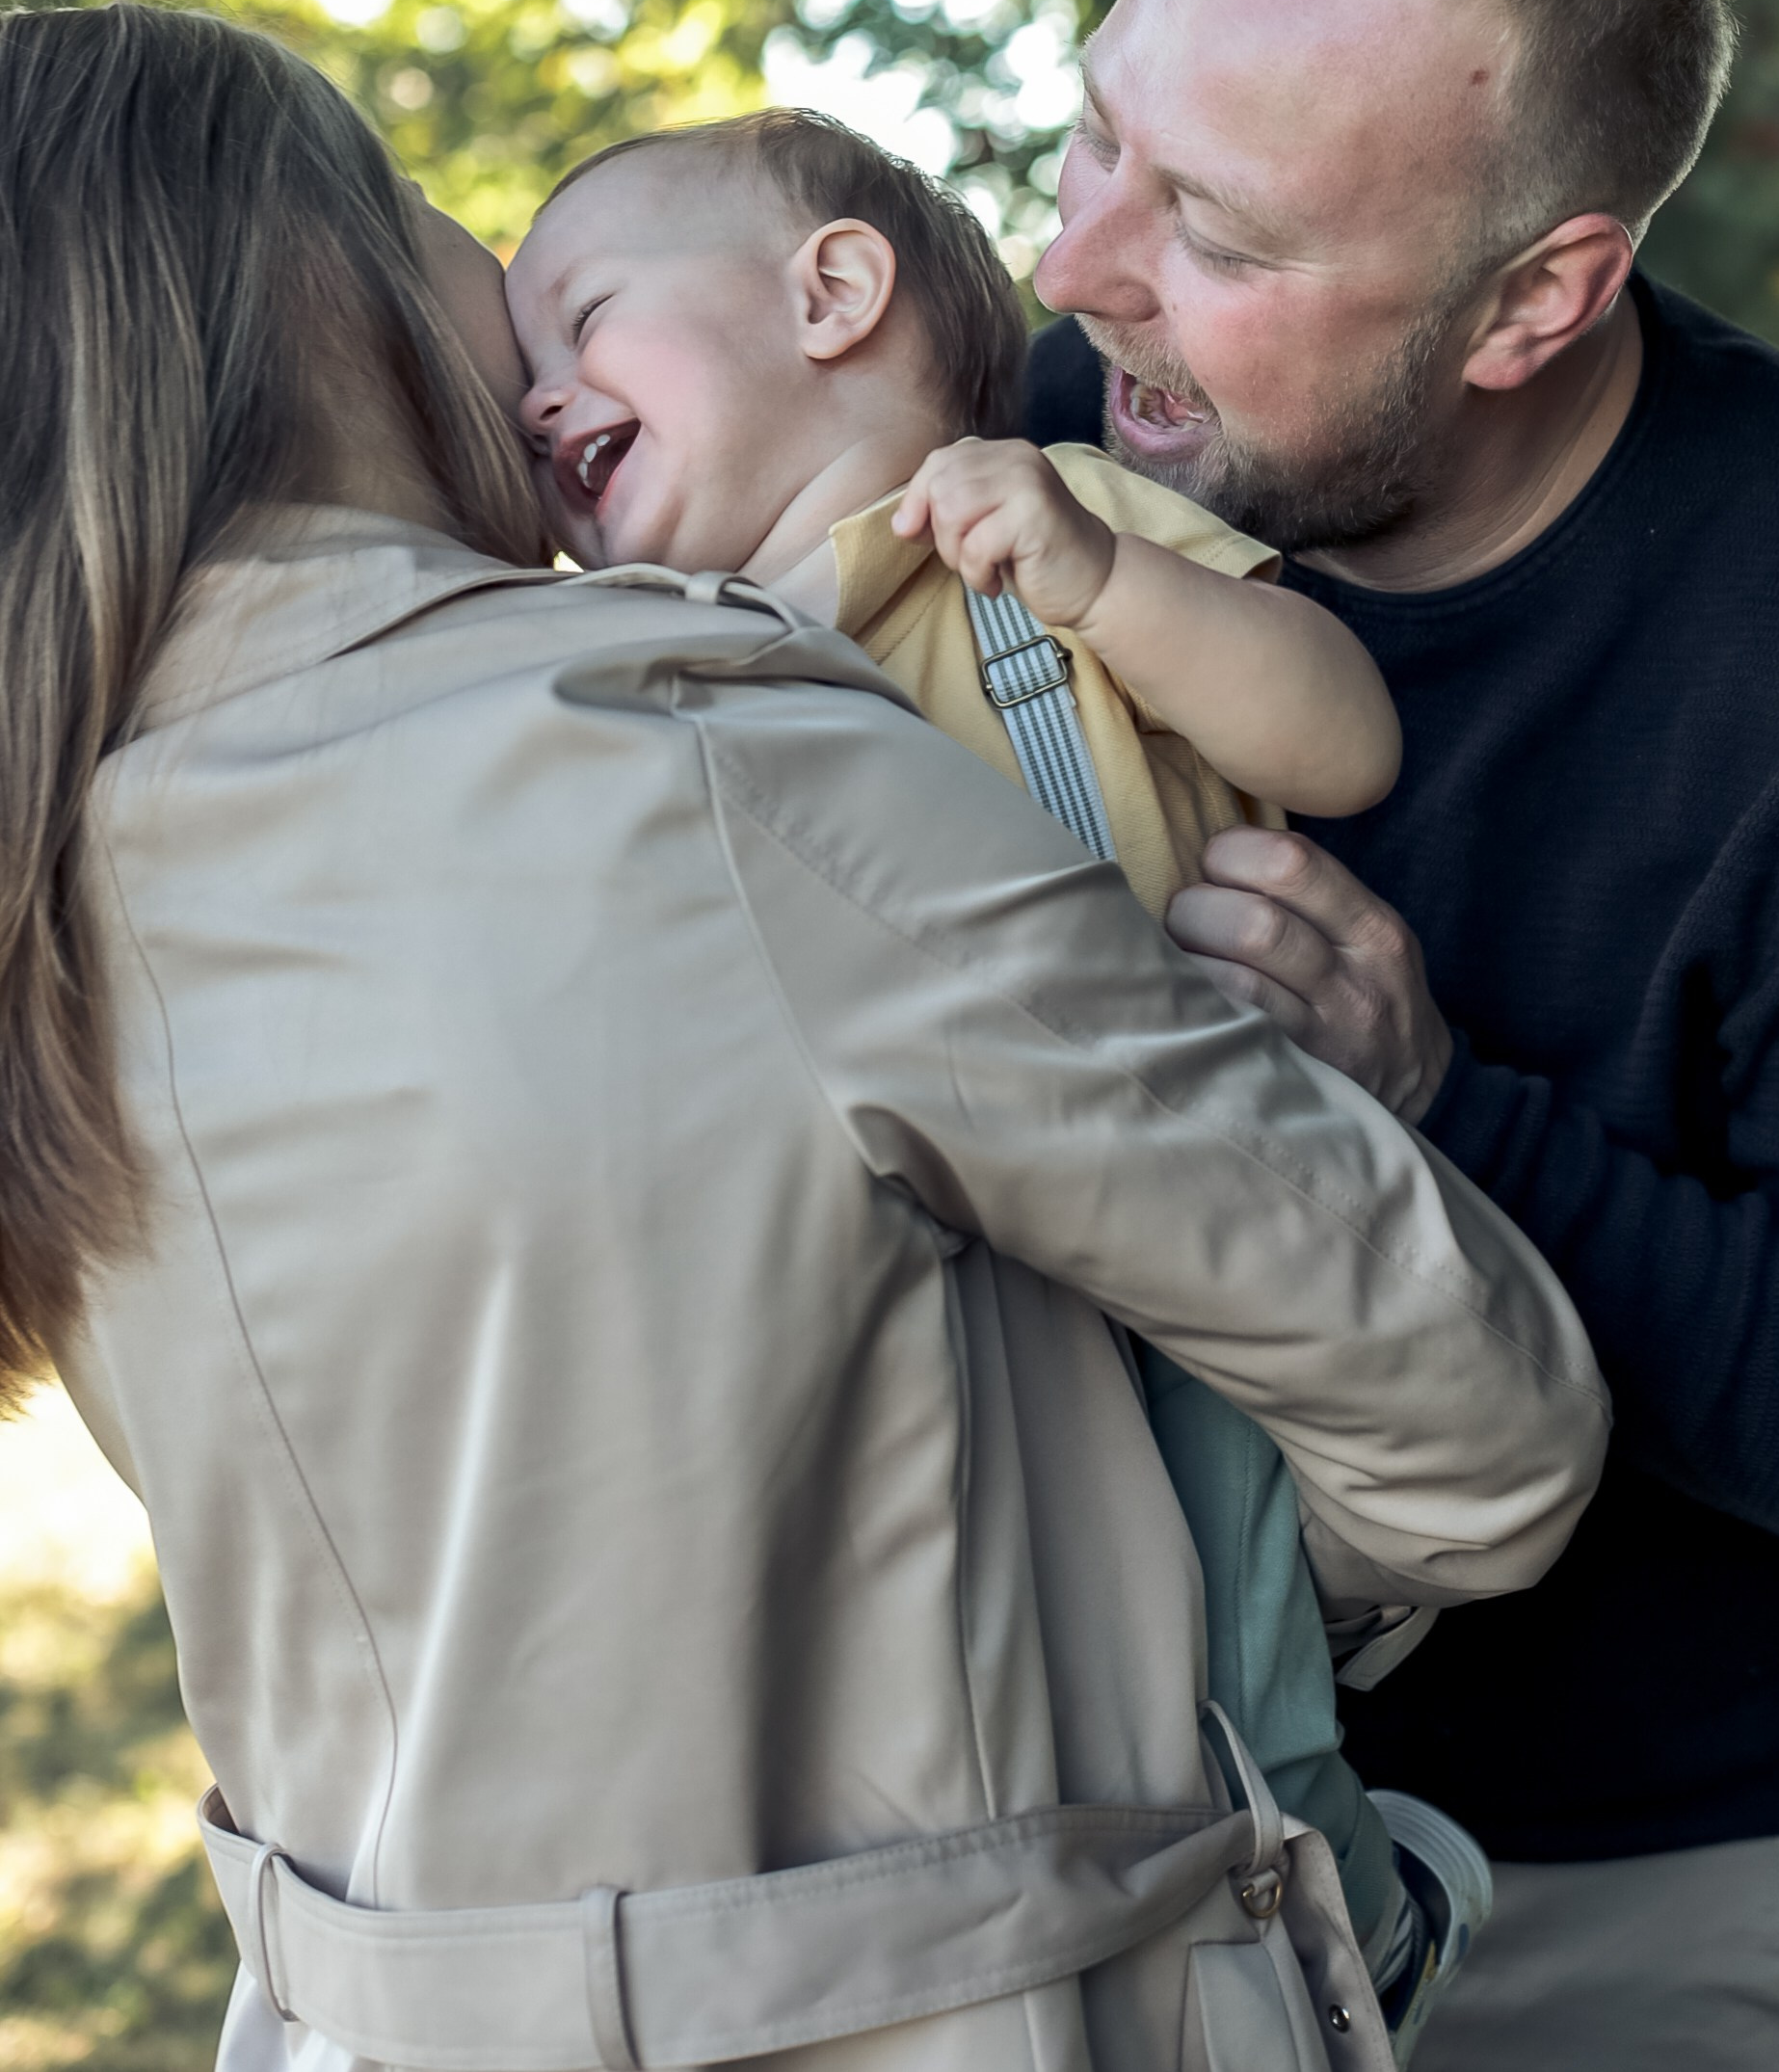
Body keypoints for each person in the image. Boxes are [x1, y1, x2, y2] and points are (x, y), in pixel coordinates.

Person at [8, 0, 1611, 2072]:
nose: (508, 307)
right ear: (310, 279)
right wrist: (1181, 1549)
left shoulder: (62, 888)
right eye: (421, 201)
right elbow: (1482, 1421)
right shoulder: (685, 753)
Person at [1024, 0, 1779, 2072]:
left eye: (1220, 235)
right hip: (1100, 1810)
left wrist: (1441, 1107)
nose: (1074, 269)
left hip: (1636, 1877)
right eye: (1091, 136)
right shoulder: (1066, 421)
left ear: (1533, 297)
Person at [506, 109, 1485, 2052]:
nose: (538, 401)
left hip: (1172, 1255)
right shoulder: (661, 665)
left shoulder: (1051, 524)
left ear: (832, 293)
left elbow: (1343, 737)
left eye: (583, 325)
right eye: (521, 373)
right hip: (905, 1304)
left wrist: (1104, 584)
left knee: (1229, 1656)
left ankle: (1350, 1929)